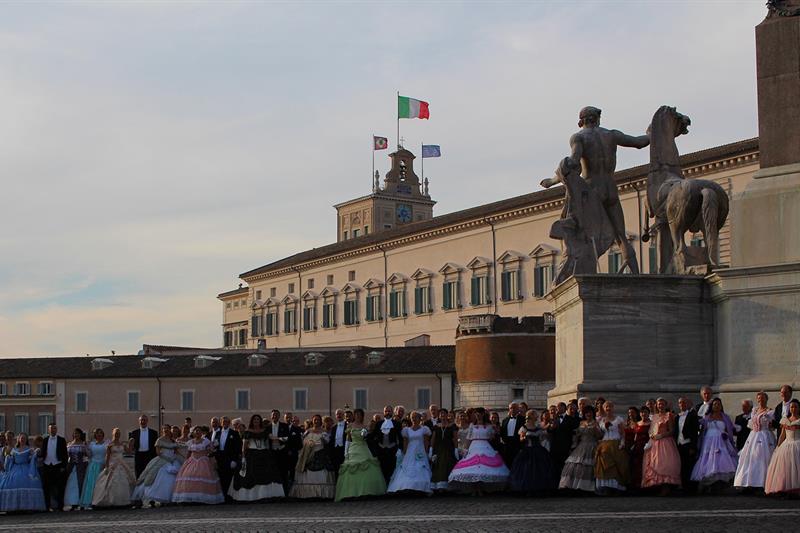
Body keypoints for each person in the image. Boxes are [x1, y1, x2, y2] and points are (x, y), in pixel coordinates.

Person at [448, 407, 510, 494]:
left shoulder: (488, 426)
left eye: (479, 414)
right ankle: (474, 488)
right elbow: (468, 438)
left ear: (483, 414)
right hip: (474, 447)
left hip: (485, 446)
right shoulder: (472, 426)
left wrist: (495, 431)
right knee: (474, 468)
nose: (478, 415)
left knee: (482, 468)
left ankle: (481, 488)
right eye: (476, 414)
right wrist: (465, 449)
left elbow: (491, 438)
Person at [229, 414, 285, 501]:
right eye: (254, 419)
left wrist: (283, 439)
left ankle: (265, 496)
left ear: (260, 421)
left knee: (267, 474)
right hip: (251, 454)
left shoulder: (265, 431)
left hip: (264, 454)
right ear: (252, 421)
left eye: (258, 419)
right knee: (250, 474)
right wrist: (243, 458)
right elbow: (244, 447)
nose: (256, 421)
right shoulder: (248, 432)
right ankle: (252, 496)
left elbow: (272, 438)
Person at [334, 408, 386, 501]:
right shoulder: (349, 426)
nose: (358, 416)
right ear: (354, 416)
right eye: (356, 414)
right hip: (353, 448)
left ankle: (366, 492)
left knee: (368, 466)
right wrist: (346, 452)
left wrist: (367, 432)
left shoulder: (365, 426)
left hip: (363, 448)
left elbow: (365, 438)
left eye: (359, 414)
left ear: (362, 416)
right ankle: (351, 492)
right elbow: (348, 440)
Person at [691, 398, 738, 492]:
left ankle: (719, 484)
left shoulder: (725, 417)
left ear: (721, 406)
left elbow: (730, 429)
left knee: (721, 460)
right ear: (711, 406)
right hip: (708, 442)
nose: (716, 406)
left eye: (718, 404)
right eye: (715, 404)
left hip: (721, 441)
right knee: (708, 459)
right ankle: (709, 483)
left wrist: (727, 435)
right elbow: (701, 428)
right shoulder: (707, 417)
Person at [734, 391, 775, 491]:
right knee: (751, 458)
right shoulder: (754, 410)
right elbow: (751, 425)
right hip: (753, 436)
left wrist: (770, 424)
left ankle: (763, 483)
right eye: (759, 398)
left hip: (765, 435)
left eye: (762, 398)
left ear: (766, 399)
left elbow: (772, 426)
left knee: (764, 458)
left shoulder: (770, 411)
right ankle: (750, 483)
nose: (760, 400)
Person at [131, 424, 181, 507]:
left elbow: (176, 451)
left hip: (173, 461)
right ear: (162, 430)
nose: (165, 430)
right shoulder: (159, 440)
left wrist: (176, 457)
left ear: (170, 430)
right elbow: (158, 452)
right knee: (156, 476)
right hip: (162, 459)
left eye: (167, 429)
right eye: (164, 429)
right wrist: (166, 458)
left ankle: (171, 499)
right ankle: (155, 499)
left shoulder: (173, 441)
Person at [171, 426, 224, 505]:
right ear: (193, 433)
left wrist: (212, 451)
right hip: (192, 460)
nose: (197, 432)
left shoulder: (206, 441)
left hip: (203, 460)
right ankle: (189, 498)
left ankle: (202, 498)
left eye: (199, 431)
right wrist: (186, 462)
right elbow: (189, 453)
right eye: (196, 431)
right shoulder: (191, 442)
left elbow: (211, 451)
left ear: (201, 432)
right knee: (188, 476)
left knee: (203, 476)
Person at [289, 414, 336, 499]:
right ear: (312, 421)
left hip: (320, 454)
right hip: (308, 454)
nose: (316, 421)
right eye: (315, 420)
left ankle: (321, 494)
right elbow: (302, 442)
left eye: (318, 420)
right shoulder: (308, 431)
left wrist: (323, 440)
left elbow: (327, 441)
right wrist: (308, 444)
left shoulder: (324, 432)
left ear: (321, 421)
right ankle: (308, 494)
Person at [509, 409, 555, 494]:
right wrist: (524, 438)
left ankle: (540, 488)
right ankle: (527, 488)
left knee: (540, 468)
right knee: (527, 469)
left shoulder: (538, 427)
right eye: (535, 415)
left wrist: (550, 426)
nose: (537, 417)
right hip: (528, 449)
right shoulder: (524, 427)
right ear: (531, 416)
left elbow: (544, 434)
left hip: (538, 449)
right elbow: (521, 439)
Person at [387, 411, 433, 495]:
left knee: (420, 467)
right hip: (410, 451)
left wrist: (427, 452)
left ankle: (419, 487)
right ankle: (406, 486)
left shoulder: (424, 429)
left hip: (420, 450)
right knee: (407, 467)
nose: (414, 419)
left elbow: (426, 442)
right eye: (412, 417)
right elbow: (405, 442)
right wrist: (404, 454)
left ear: (419, 419)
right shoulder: (406, 430)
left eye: (416, 417)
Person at [642, 398, 681, 494]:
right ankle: (658, 485)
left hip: (666, 441)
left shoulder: (669, 415)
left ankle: (667, 485)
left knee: (667, 463)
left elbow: (672, 430)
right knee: (656, 463)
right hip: (655, 442)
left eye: (662, 404)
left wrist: (662, 435)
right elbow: (651, 429)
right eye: (659, 404)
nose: (660, 406)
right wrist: (651, 434)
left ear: (665, 405)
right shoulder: (654, 416)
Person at [559, 405, 601, 492]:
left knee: (589, 466)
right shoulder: (581, 423)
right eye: (586, 413)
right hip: (581, 445)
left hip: (592, 445)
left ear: (593, 413)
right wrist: (574, 444)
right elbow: (577, 435)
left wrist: (595, 429)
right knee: (575, 465)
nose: (588, 414)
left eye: (590, 412)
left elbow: (599, 436)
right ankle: (573, 486)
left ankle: (587, 487)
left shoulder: (596, 423)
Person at [0, 433, 47, 512]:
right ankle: (13, 507)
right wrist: (9, 458)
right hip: (15, 469)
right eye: (21, 438)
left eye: (24, 438)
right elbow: (12, 460)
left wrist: (36, 452)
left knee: (29, 482)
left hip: (26, 468)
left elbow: (33, 457)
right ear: (18, 439)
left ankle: (27, 506)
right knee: (10, 483)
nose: (22, 440)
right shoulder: (14, 450)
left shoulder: (29, 449)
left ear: (26, 440)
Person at [92, 428, 135, 507]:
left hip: (122, 464)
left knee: (123, 481)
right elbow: (107, 457)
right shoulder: (110, 445)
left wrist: (131, 444)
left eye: (118, 433)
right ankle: (110, 500)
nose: (117, 435)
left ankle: (122, 501)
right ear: (113, 434)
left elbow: (129, 451)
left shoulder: (122, 444)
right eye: (116, 433)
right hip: (113, 464)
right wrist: (107, 467)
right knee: (111, 482)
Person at [764, 398, 800, 495]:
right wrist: (778, 446)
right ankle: (785, 489)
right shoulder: (785, 420)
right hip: (786, 445)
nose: (793, 409)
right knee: (786, 468)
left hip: (797, 443)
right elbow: (782, 435)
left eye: (796, 407)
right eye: (792, 407)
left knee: (796, 467)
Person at [595, 400, 629, 494]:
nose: (608, 408)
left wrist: (622, 443)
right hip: (604, 443)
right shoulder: (601, 420)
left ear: (613, 408)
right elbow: (600, 434)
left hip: (615, 442)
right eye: (606, 407)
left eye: (610, 406)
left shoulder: (618, 419)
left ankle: (616, 486)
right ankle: (606, 486)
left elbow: (622, 433)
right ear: (604, 408)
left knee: (617, 464)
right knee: (603, 464)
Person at [370, 405, 402, 484]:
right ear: (383, 412)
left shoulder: (396, 424)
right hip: (381, 450)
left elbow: (400, 437)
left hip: (392, 450)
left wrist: (400, 449)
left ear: (392, 412)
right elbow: (372, 436)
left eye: (389, 411)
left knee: (392, 470)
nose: (387, 413)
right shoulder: (379, 424)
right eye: (386, 411)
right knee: (382, 470)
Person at [212, 416, 242, 501]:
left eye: (226, 421)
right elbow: (215, 446)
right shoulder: (217, 433)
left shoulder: (234, 433)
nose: (224, 423)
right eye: (223, 421)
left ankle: (229, 497)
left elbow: (238, 448)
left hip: (230, 458)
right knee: (221, 478)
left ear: (229, 423)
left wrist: (234, 460)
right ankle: (223, 497)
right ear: (221, 423)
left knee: (229, 478)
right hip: (220, 458)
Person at [675, 397, 699, 493]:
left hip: (688, 444)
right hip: (679, 444)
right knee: (682, 466)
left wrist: (693, 446)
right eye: (680, 403)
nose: (682, 404)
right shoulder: (677, 416)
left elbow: (694, 432)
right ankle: (683, 486)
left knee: (690, 465)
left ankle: (692, 487)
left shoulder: (692, 415)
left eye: (684, 402)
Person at [41, 424, 68, 511]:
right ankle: (47, 506)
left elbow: (65, 454)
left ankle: (60, 506)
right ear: (48, 430)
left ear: (56, 430)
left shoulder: (61, 440)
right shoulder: (45, 440)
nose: (53, 430)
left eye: (54, 428)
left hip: (58, 465)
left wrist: (63, 466)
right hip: (47, 465)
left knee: (60, 487)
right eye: (51, 429)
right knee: (46, 487)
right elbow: (42, 452)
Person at [430, 408, 457, 491]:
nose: (442, 415)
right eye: (441, 414)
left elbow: (455, 438)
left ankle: (448, 487)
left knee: (448, 466)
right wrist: (431, 449)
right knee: (438, 467)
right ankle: (439, 487)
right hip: (438, 449)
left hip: (448, 448)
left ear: (446, 415)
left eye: (444, 413)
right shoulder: (436, 426)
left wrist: (456, 449)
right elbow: (433, 439)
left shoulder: (452, 426)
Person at [79, 428, 107, 509]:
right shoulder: (92, 444)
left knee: (101, 484)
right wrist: (86, 448)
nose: (99, 434)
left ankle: (100, 501)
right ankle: (90, 501)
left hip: (102, 465)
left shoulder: (106, 444)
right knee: (91, 485)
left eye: (101, 433)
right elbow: (90, 455)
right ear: (95, 435)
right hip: (93, 465)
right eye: (98, 433)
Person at [551, 402, 580, 480]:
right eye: (556, 407)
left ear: (564, 408)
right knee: (555, 468)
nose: (557, 409)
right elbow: (550, 431)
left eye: (559, 407)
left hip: (565, 447)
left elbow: (574, 432)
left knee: (565, 468)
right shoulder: (554, 418)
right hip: (554, 447)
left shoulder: (572, 419)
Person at [63, 428, 88, 510]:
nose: (76, 435)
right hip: (71, 466)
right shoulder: (69, 444)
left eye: (77, 433)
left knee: (80, 483)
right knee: (71, 485)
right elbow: (67, 456)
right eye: (75, 434)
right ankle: (73, 503)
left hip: (80, 466)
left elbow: (87, 455)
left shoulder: (83, 444)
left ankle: (81, 503)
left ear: (80, 435)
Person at [129, 415, 158, 480]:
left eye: (144, 420)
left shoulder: (153, 433)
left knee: (149, 473)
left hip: (149, 455)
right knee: (139, 473)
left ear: (147, 421)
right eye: (141, 420)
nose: (143, 421)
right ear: (139, 421)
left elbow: (156, 446)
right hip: (139, 456)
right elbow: (131, 446)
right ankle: (139, 488)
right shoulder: (134, 433)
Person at [628, 406, 651, 491]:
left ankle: (647, 486)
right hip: (638, 446)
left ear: (648, 413)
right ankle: (637, 486)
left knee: (646, 466)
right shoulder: (638, 423)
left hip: (647, 446)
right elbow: (635, 436)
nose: (643, 414)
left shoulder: (651, 423)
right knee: (636, 466)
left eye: (645, 412)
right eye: (642, 412)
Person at [500, 403, 525, 468]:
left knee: (517, 464)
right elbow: (502, 432)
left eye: (514, 408)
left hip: (517, 445)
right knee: (507, 463)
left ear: (518, 409)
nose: (513, 409)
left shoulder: (523, 419)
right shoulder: (504, 420)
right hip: (507, 445)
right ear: (509, 409)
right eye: (511, 408)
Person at [329, 409, 348, 477]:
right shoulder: (333, 427)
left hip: (344, 450)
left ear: (343, 415)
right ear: (336, 416)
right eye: (337, 414)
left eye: (340, 414)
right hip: (335, 451)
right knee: (337, 470)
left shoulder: (347, 425)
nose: (339, 415)